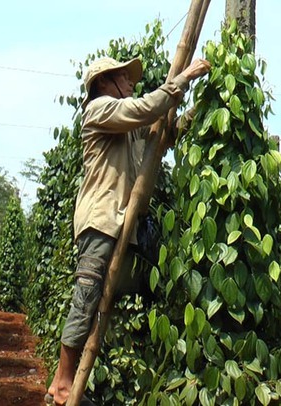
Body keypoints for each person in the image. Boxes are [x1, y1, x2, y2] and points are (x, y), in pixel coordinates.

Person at [45, 56, 211, 405]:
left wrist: (201, 105)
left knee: (108, 301)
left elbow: (162, 137)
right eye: (124, 77)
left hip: (122, 224)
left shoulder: (129, 124)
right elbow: (146, 109)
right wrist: (185, 77)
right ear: (105, 83)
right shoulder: (100, 110)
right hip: (100, 219)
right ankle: (62, 382)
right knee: (87, 295)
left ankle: (79, 382)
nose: (131, 82)